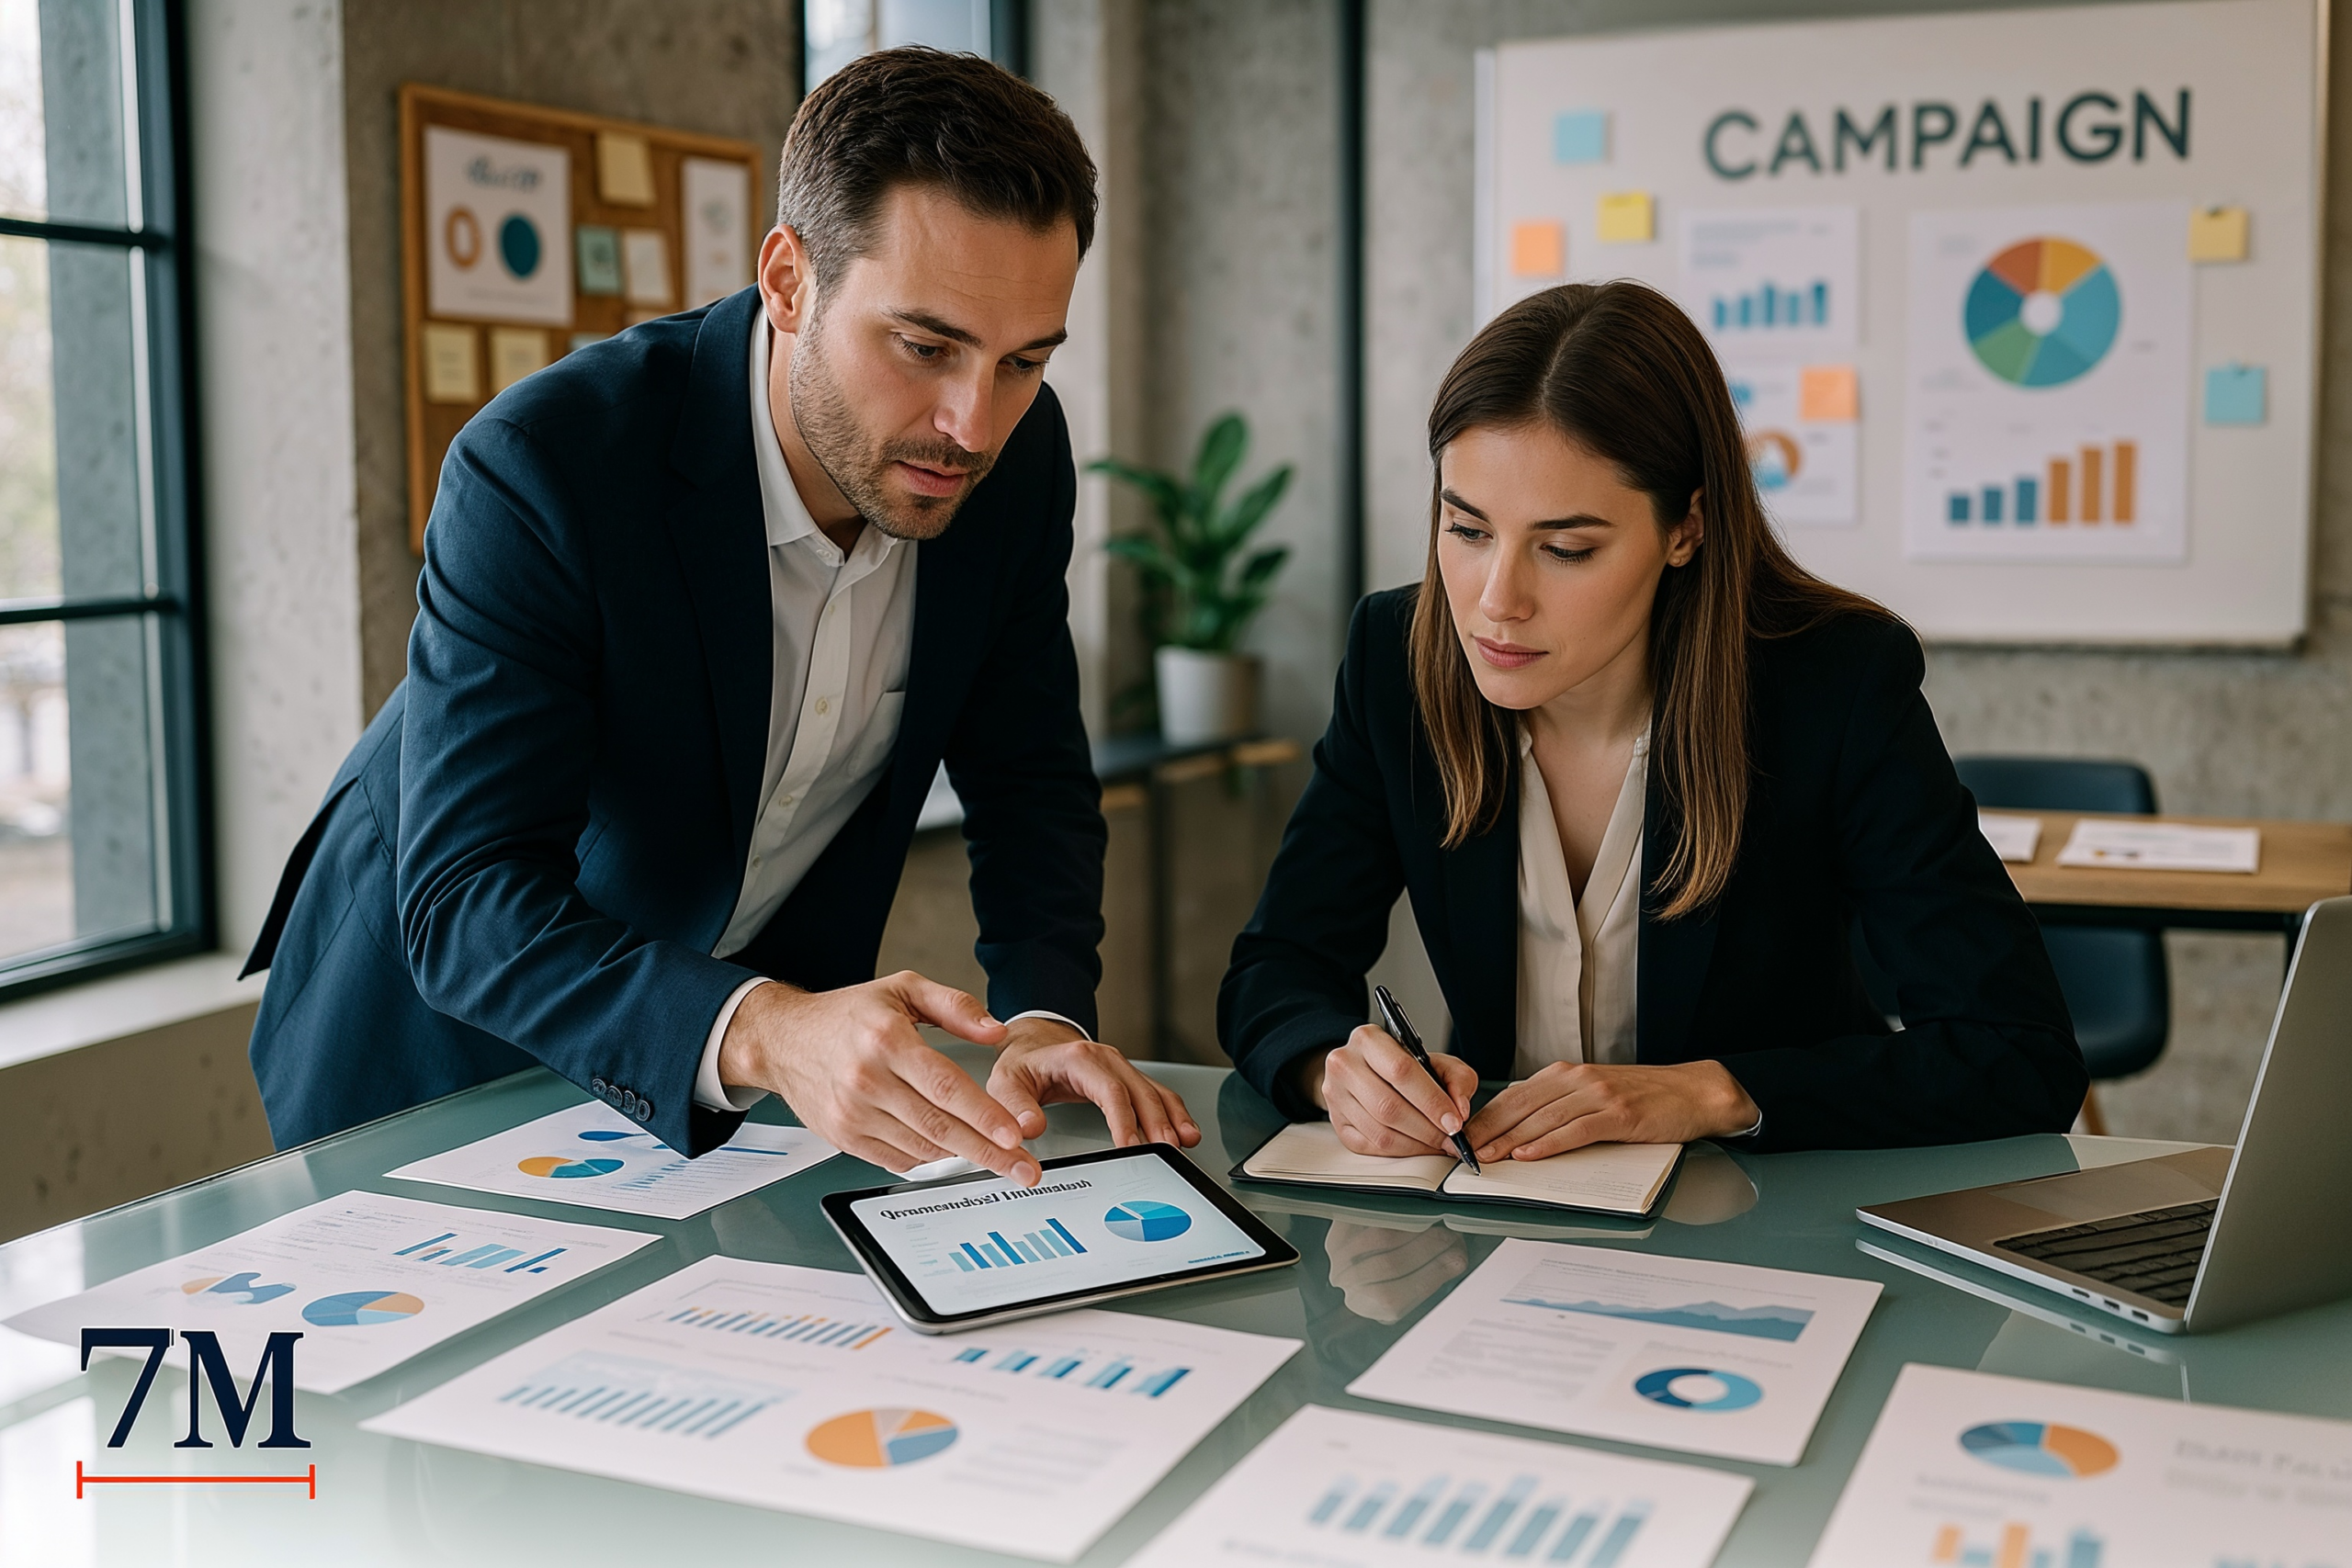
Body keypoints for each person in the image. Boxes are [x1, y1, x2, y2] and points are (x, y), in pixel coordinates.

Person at [243, 48, 1196, 1185]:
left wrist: (1046, 1016)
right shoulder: (544, 467)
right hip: (434, 1041)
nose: (971, 424)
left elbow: (1029, 775)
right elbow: (469, 896)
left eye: (1024, 360)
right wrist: (764, 1025)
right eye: (925, 346)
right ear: (788, 281)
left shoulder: (1016, 464)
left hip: (722, 1074)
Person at [1219, 281, 2084, 1160]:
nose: (1495, 602)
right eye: (1466, 528)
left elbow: (2017, 1053)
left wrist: (1713, 1092)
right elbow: (1276, 968)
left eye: (1566, 550)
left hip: (1768, 1226)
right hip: (1497, 1215)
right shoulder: (1393, 661)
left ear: (1688, 527)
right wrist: (1332, 1068)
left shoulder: (1835, 685)